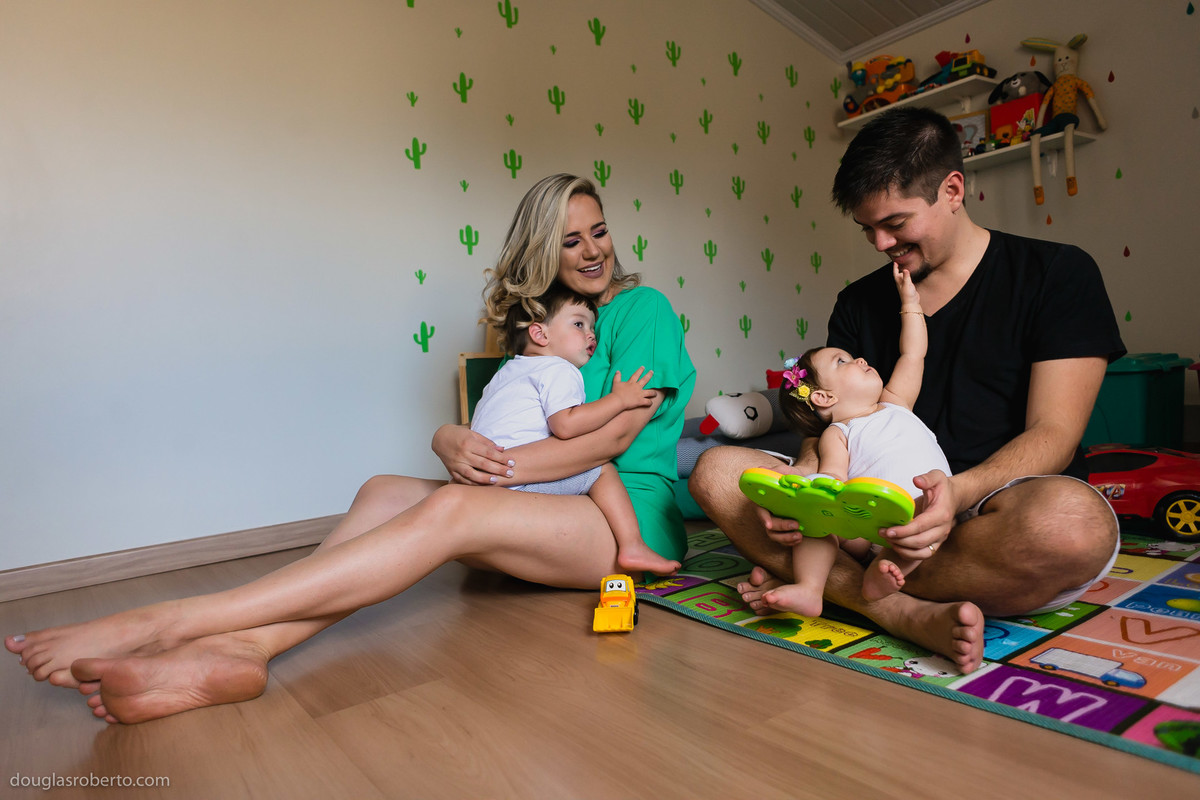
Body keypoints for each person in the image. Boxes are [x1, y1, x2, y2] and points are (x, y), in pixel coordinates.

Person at [5, 173, 696, 724]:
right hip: (550, 504)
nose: (593, 251)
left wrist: (486, 473)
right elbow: (504, 427)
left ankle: (171, 622)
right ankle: (246, 650)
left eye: (598, 232)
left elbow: (610, 438)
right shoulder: (546, 331)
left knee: (454, 511)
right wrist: (447, 437)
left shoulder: (644, 310)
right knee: (382, 492)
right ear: (544, 253)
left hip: (621, 517)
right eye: (571, 240)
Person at [689, 106, 1125, 675]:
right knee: (715, 472)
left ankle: (833, 587)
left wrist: (955, 496)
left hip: (989, 509)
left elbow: (1056, 434)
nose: (879, 242)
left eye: (895, 223)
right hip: (865, 515)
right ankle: (898, 613)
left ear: (951, 189)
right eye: (866, 227)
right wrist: (801, 489)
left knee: (1072, 528)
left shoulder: (1057, 274)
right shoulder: (858, 301)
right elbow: (826, 427)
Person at [763, 263, 951, 617]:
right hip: (869, 523)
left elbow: (914, 353)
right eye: (843, 361)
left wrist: (910, 302)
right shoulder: (838, 433)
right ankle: (809, 587)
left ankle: (881, 577)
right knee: (815, 525)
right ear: (823, 398)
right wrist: (810, 496)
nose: (860, 358)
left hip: (926, 516)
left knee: (940, 506)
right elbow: (834, 476)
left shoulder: (896, 404)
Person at [471, 282, 680, 575]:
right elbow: (566, 425)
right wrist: (618, 400)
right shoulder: (558, 368)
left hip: (483, 481)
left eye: (592, 326)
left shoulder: (507, 373)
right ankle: (632, 544)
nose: (591, 334)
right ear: (540, 333)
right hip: (516, 482)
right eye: (579, 324)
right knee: (602, 470)